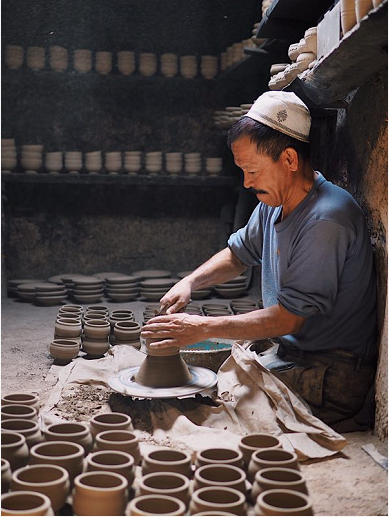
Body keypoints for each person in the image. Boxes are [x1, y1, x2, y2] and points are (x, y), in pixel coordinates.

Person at [141, 91, 378, 433]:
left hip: (331, 373)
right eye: (242, 171)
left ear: (289, 160)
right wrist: (189, 282)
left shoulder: (326, 220)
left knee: (217, 408)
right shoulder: (274, 201)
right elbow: (238, 255)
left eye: (252, 170)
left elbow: (288, 318)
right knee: (207, 383)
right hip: (291, 354)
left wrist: (201, 328)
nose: (247, 182)